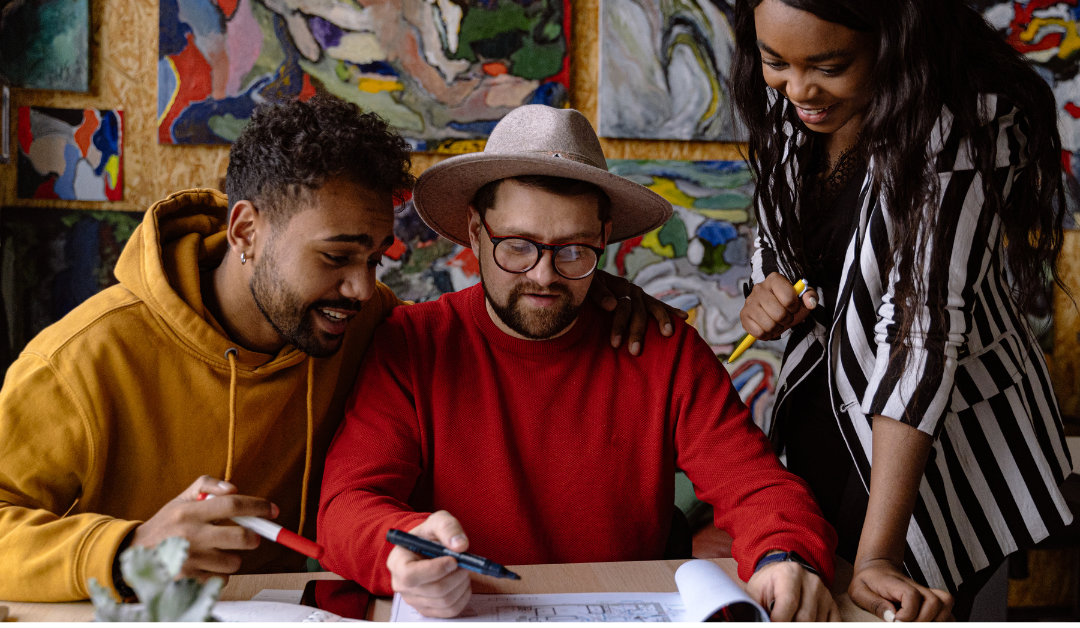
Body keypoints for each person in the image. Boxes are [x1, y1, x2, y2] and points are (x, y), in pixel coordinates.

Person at [0, 96, 671, 602]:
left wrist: (599, 290)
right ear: (246, 230)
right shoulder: (80, 360)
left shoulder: (367, 325)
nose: (361, 287)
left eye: (376, 258)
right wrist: (126, 549)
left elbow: (490, 329)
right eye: (336, 256)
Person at [318, 105, 841, 622]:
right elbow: (348, 504)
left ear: (605, 235)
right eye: (517, 247)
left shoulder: (663, 348)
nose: (544, 276)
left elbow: (756, 484)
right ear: (476, 229)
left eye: (573, 251)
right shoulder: (412, 345)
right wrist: (399, 553)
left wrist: (783, 553)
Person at [730, 0, 1074, 621]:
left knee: (906, 604)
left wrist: (878, 555)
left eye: (830, 66)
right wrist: (767, 286)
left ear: (896, 39)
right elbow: (780, 228)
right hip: (825, 411)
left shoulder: (966, 127)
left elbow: (921, 333)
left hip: (938, 446)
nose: (798, 88)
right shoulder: (796, 101)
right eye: (773, 61)